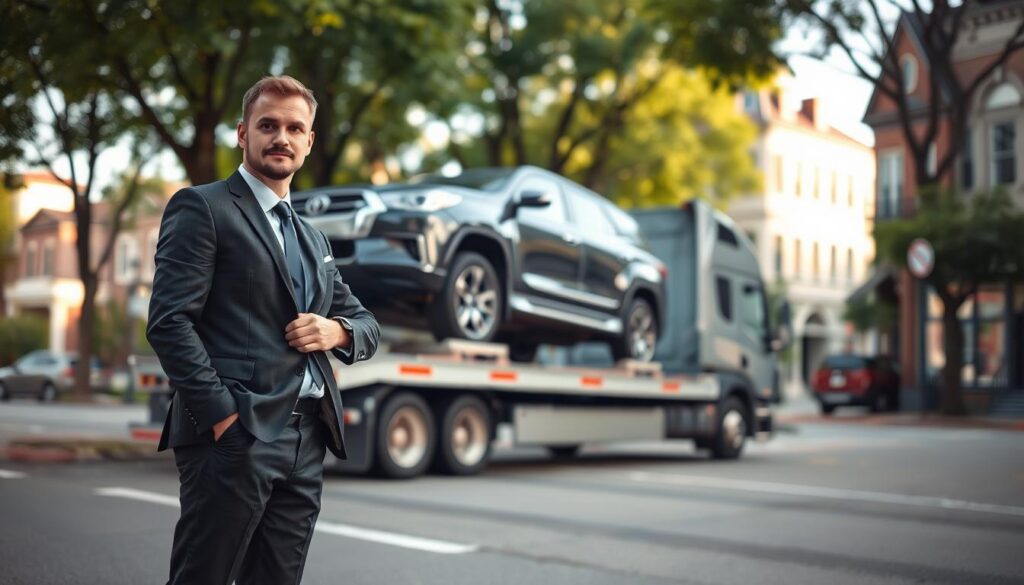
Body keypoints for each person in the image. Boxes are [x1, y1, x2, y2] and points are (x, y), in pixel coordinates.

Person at [147, 75, 380, 585]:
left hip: (307, 437)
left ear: (310, 140)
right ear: (242, 133)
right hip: (236, 434)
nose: (282, 137)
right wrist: (224, 420)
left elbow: (366, 324)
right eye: (268, 125)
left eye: (295, 128)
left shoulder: (311, 234)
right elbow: (169, 323)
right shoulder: (202, 207)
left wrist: (335, 332)